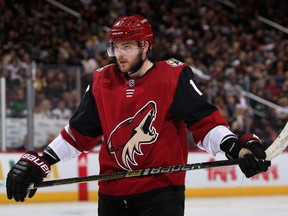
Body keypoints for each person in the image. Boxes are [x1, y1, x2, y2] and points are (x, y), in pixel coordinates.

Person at [6, 15, 271, 216]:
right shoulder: (102, 80)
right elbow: (78, 135)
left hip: (160, 195)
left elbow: (205, 124)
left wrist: (235, 148)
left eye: (127, 47)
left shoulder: (173, 76)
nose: (119, 55)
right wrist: (42, 161)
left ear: (145, 46)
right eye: (115, 47)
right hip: (111, 195)